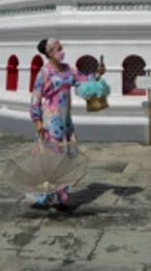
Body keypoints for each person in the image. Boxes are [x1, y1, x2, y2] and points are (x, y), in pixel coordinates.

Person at [28, 37, 104, 211]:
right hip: (51, 118)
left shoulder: (69, 70)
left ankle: (62, 196)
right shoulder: (44, 73)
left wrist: (98, 75)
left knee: (67, 155)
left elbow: (84, 80)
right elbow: (35, 98)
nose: (62, 51)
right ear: (49, 53)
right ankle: (44, 196)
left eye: (61, 48)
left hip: (65, 119)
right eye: (58, 48)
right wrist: (37, 121)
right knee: (51, 156)